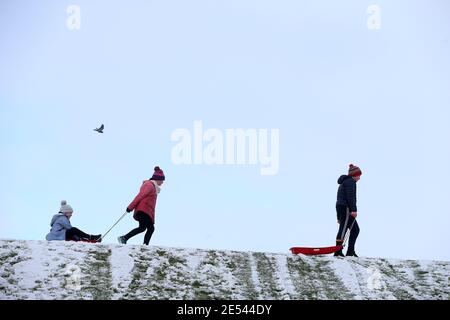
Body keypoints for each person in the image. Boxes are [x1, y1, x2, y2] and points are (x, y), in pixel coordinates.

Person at [118, 166, 165, 245]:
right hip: (143, 211)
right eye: (162, 180)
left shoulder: (154, 188)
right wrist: (130, 207)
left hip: (147, 212)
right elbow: (140, 196)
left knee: (151, 228)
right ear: (157, 179)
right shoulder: (149, 185)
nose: (162, 182)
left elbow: (152, 207)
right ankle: (124, 238)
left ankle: (145, 245)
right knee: (143, 228)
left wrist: (152, 218)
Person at [334, 164, 362, 257]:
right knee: (343, 230)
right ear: (355, 175)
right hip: (346, 208)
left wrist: (338, 216)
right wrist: (354, 210)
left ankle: (350, 251)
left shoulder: (346, 182)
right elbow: (351, 197)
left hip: (342, 208)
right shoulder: (350, 182)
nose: (359, 178)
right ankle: (337, 251)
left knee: (355, 230)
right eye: (359, 175)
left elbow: (339, 201)